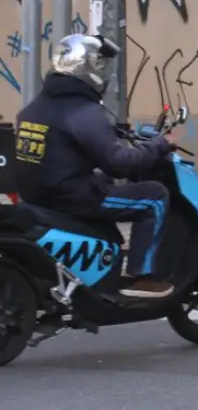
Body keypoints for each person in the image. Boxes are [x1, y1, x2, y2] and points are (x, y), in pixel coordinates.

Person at [13, 33, 175, 299]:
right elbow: (118, 164)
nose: (103, 72)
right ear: (84, 67)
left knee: (103, 182)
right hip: (71, 199)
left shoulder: (39, 104)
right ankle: (144, 277)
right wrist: (157, 146)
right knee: (155, 196)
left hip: (38, 196)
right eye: (99, 64)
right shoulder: (84, 112)